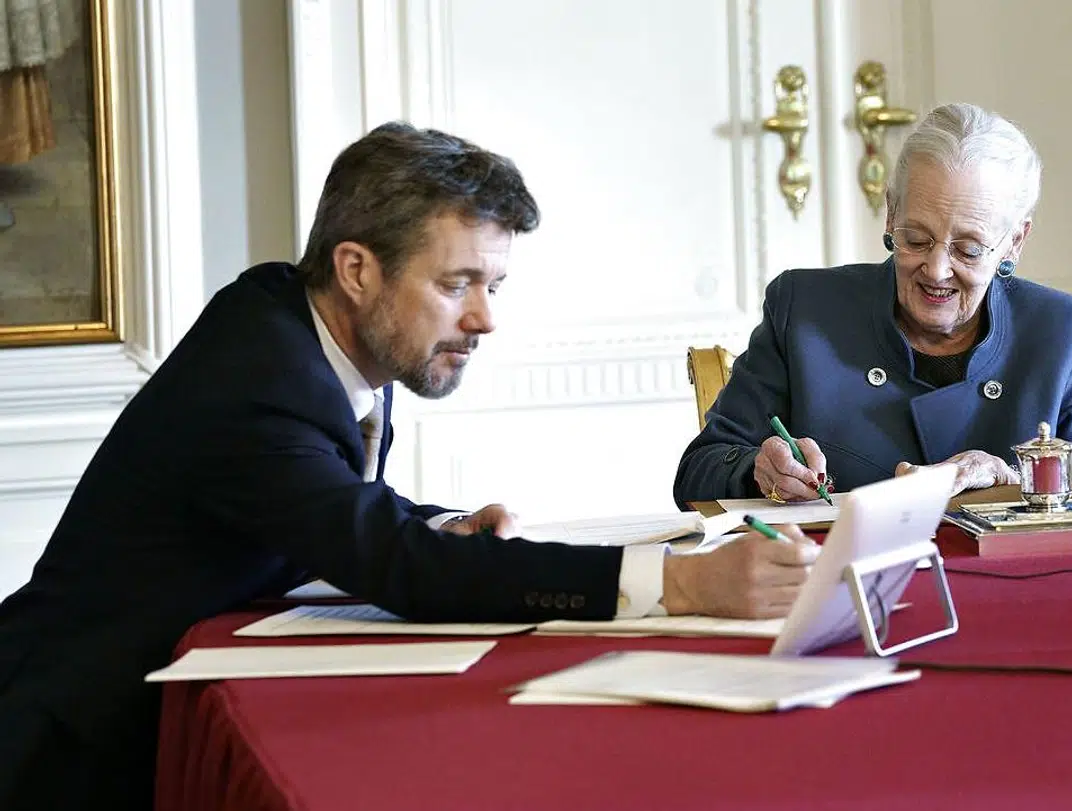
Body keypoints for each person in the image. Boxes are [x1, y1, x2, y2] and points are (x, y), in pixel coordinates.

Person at [0, 122, 816, 810]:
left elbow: (331, 500)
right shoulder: (259, 376)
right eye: (458, 283)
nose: (485, 318)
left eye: (493, 284)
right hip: (70, 745)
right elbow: (398, 566)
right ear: (357, 269)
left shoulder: (310, 323)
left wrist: (433, 522)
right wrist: (684, 584)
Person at [674, 102, 1072, 507]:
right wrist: (759, 471)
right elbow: (698, 473)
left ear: (1014, 242)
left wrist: (1013, 477)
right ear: (890, 215)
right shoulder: (805, 311)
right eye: (916, 239)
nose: (937, 269)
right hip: (838, 583)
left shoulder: (1057, 330)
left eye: (968, 249)